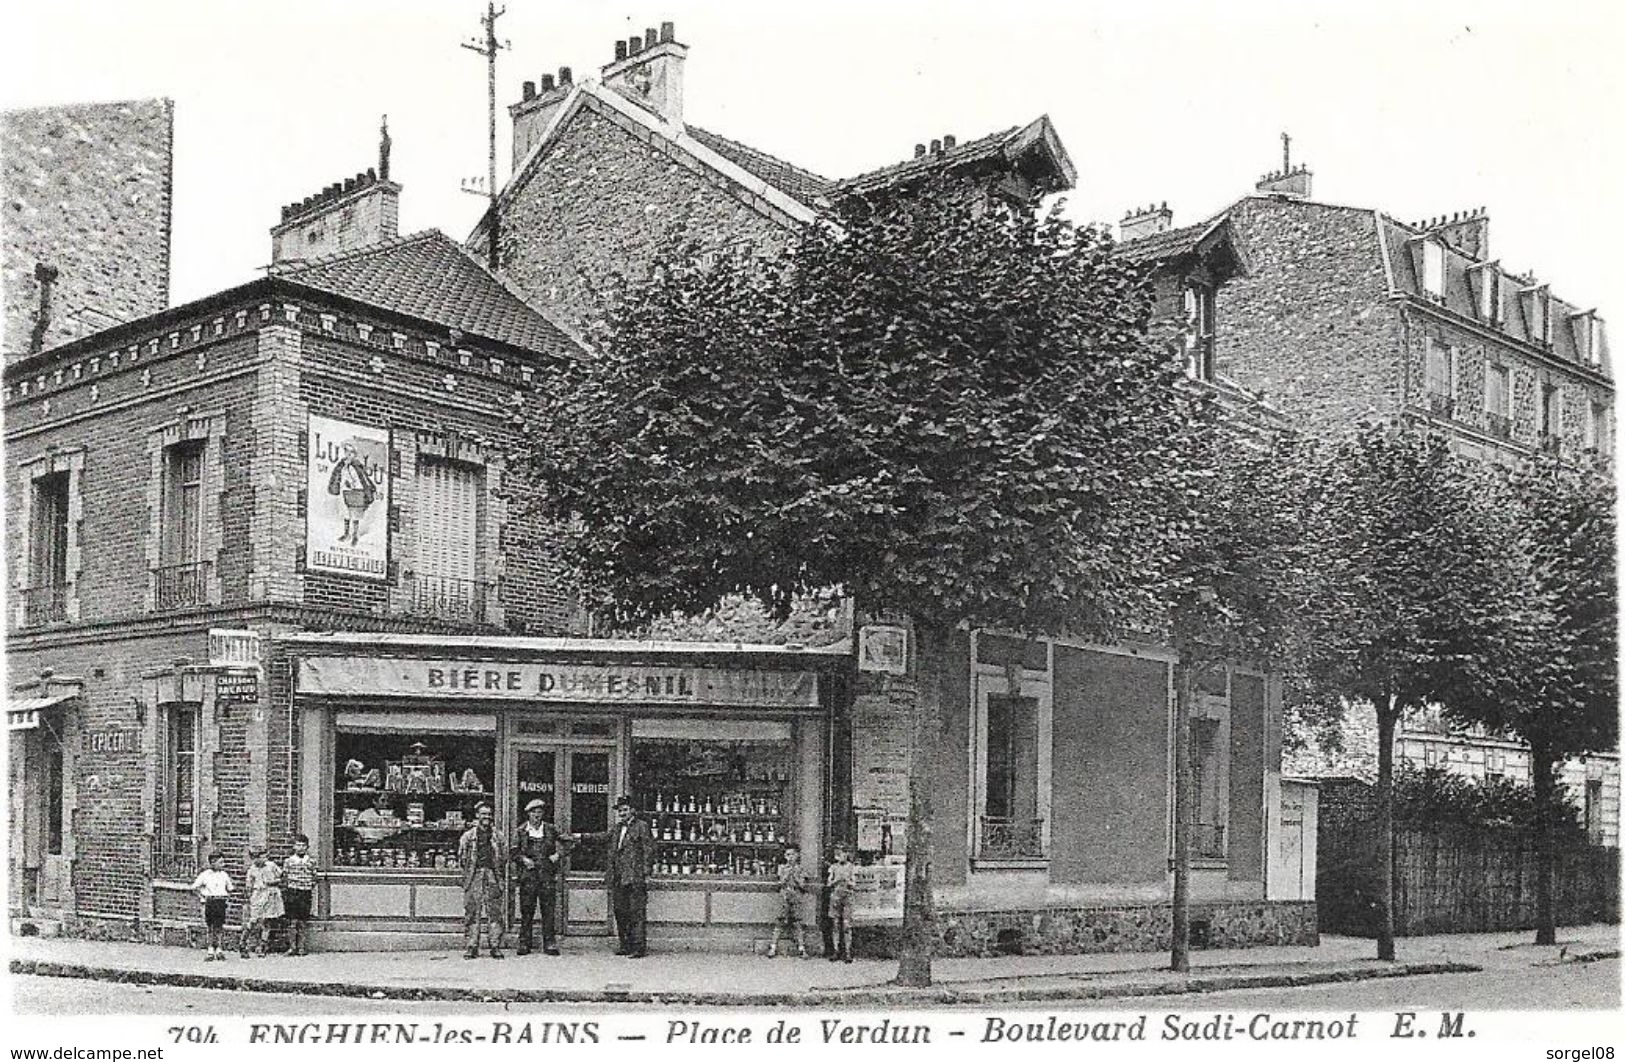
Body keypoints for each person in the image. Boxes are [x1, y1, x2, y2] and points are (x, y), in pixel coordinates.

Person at [577, 796, 654, 958]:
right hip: (618, 876)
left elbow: (648, 850)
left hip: (634, 876)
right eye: (620, 811)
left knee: (636, 912)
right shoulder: (617, 828)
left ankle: (638, 948)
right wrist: (581, 837)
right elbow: (603, 837)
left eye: (625, 810)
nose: (622, 813)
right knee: (620, 911)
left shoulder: (642, 826)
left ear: (633, 810)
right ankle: (625, 945)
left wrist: (646, 873)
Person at [511, 798, 562, 956]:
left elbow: (567, 842)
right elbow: (513, 852)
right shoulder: (521, 831)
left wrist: (558, 855)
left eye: (539, 812)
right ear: (528, 814)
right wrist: (523, 859)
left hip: (546, 876)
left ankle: (550, 943)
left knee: (548, 910)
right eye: (534, 812)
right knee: (527, 911)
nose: (537, 816)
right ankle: (525, 943)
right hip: (528, 877)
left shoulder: (550, 830)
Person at [457, 803, 509, 958]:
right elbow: (462, 857)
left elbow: (504, 857)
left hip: (493, 875)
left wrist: (497, 873)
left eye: (489, 814)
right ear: (477, 816)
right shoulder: (468, 836)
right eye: (483, 814)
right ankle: (472, 945)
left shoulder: (498, 836)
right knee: (472, 911)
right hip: (474, 875)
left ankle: (494, 945)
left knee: (495, 911)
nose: (486, 817)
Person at [326, 440, 377, 547]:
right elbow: (337, 476)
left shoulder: (357, 465)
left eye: (351, 453)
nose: (348, 455)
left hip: (356, 493)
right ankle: (346, 534)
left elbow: (362, 479)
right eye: (347, 452)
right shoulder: (342, 465)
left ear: (354, 454)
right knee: (345, 513)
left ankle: (355, 536)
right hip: (344, 492)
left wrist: (353, 485)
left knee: (355, 514)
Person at [768, 844, 812, 958]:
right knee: (780, 922)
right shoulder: (782, 868)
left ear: (797, 855)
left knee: (797, 923)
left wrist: (797, 877)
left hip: (796, 896)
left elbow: (803, 885)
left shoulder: (800, 869)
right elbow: (780, 883)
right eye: (788, 855)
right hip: (784, 896)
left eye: (792, 854)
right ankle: (772, 947)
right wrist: (787, 875)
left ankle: (802, 949)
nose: (790, 857)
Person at [243, 846, 285, 957]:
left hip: (270, 894)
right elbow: (248, 886)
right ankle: (243, 943)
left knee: (266, 921)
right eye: (257, 858)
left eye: (263, 857)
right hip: (258, 895)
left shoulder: (271, 866)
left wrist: (274, 882)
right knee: (253, 921)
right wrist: (249, 898)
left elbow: (282, 877)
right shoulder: (252, 870)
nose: (261, 860)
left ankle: (262, 946)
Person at [191, 849, 233, 961]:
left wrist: (226, 898)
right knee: (210, 927)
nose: (222, 865)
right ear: (213, 862)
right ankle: (210, 950)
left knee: (219, 926)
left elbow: (230, 889)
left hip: (220, 901)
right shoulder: (205, 875)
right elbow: (194, 887)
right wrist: (202, 898)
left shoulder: (224, 875)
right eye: (220, 862)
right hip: (210, 901)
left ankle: (219, 949)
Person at [282, 834, 316, 955]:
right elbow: (285, 877)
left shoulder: (311, 861)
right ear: (294, 847)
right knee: (292, 921)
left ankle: (301, 947)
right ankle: (292, 946)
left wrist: (308, 885)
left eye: (303, 845)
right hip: (293, 892)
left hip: (305, 892)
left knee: (302, 921)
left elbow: (314, 877)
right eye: (298, 845)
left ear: (307, 847)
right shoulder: (289, 861)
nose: (301, 848)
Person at [825, 843, 858, 963]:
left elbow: (855, 884)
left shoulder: (851, 867)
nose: (840, 856)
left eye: (843, 853)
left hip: (848, 896)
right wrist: (836, 880)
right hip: (836, 896)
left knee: (847, 925)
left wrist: (848, 881)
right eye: (838, 854)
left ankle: (848, 952)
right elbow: (828, 883)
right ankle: (836, 950)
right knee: (835, 923)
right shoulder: (833, 867)